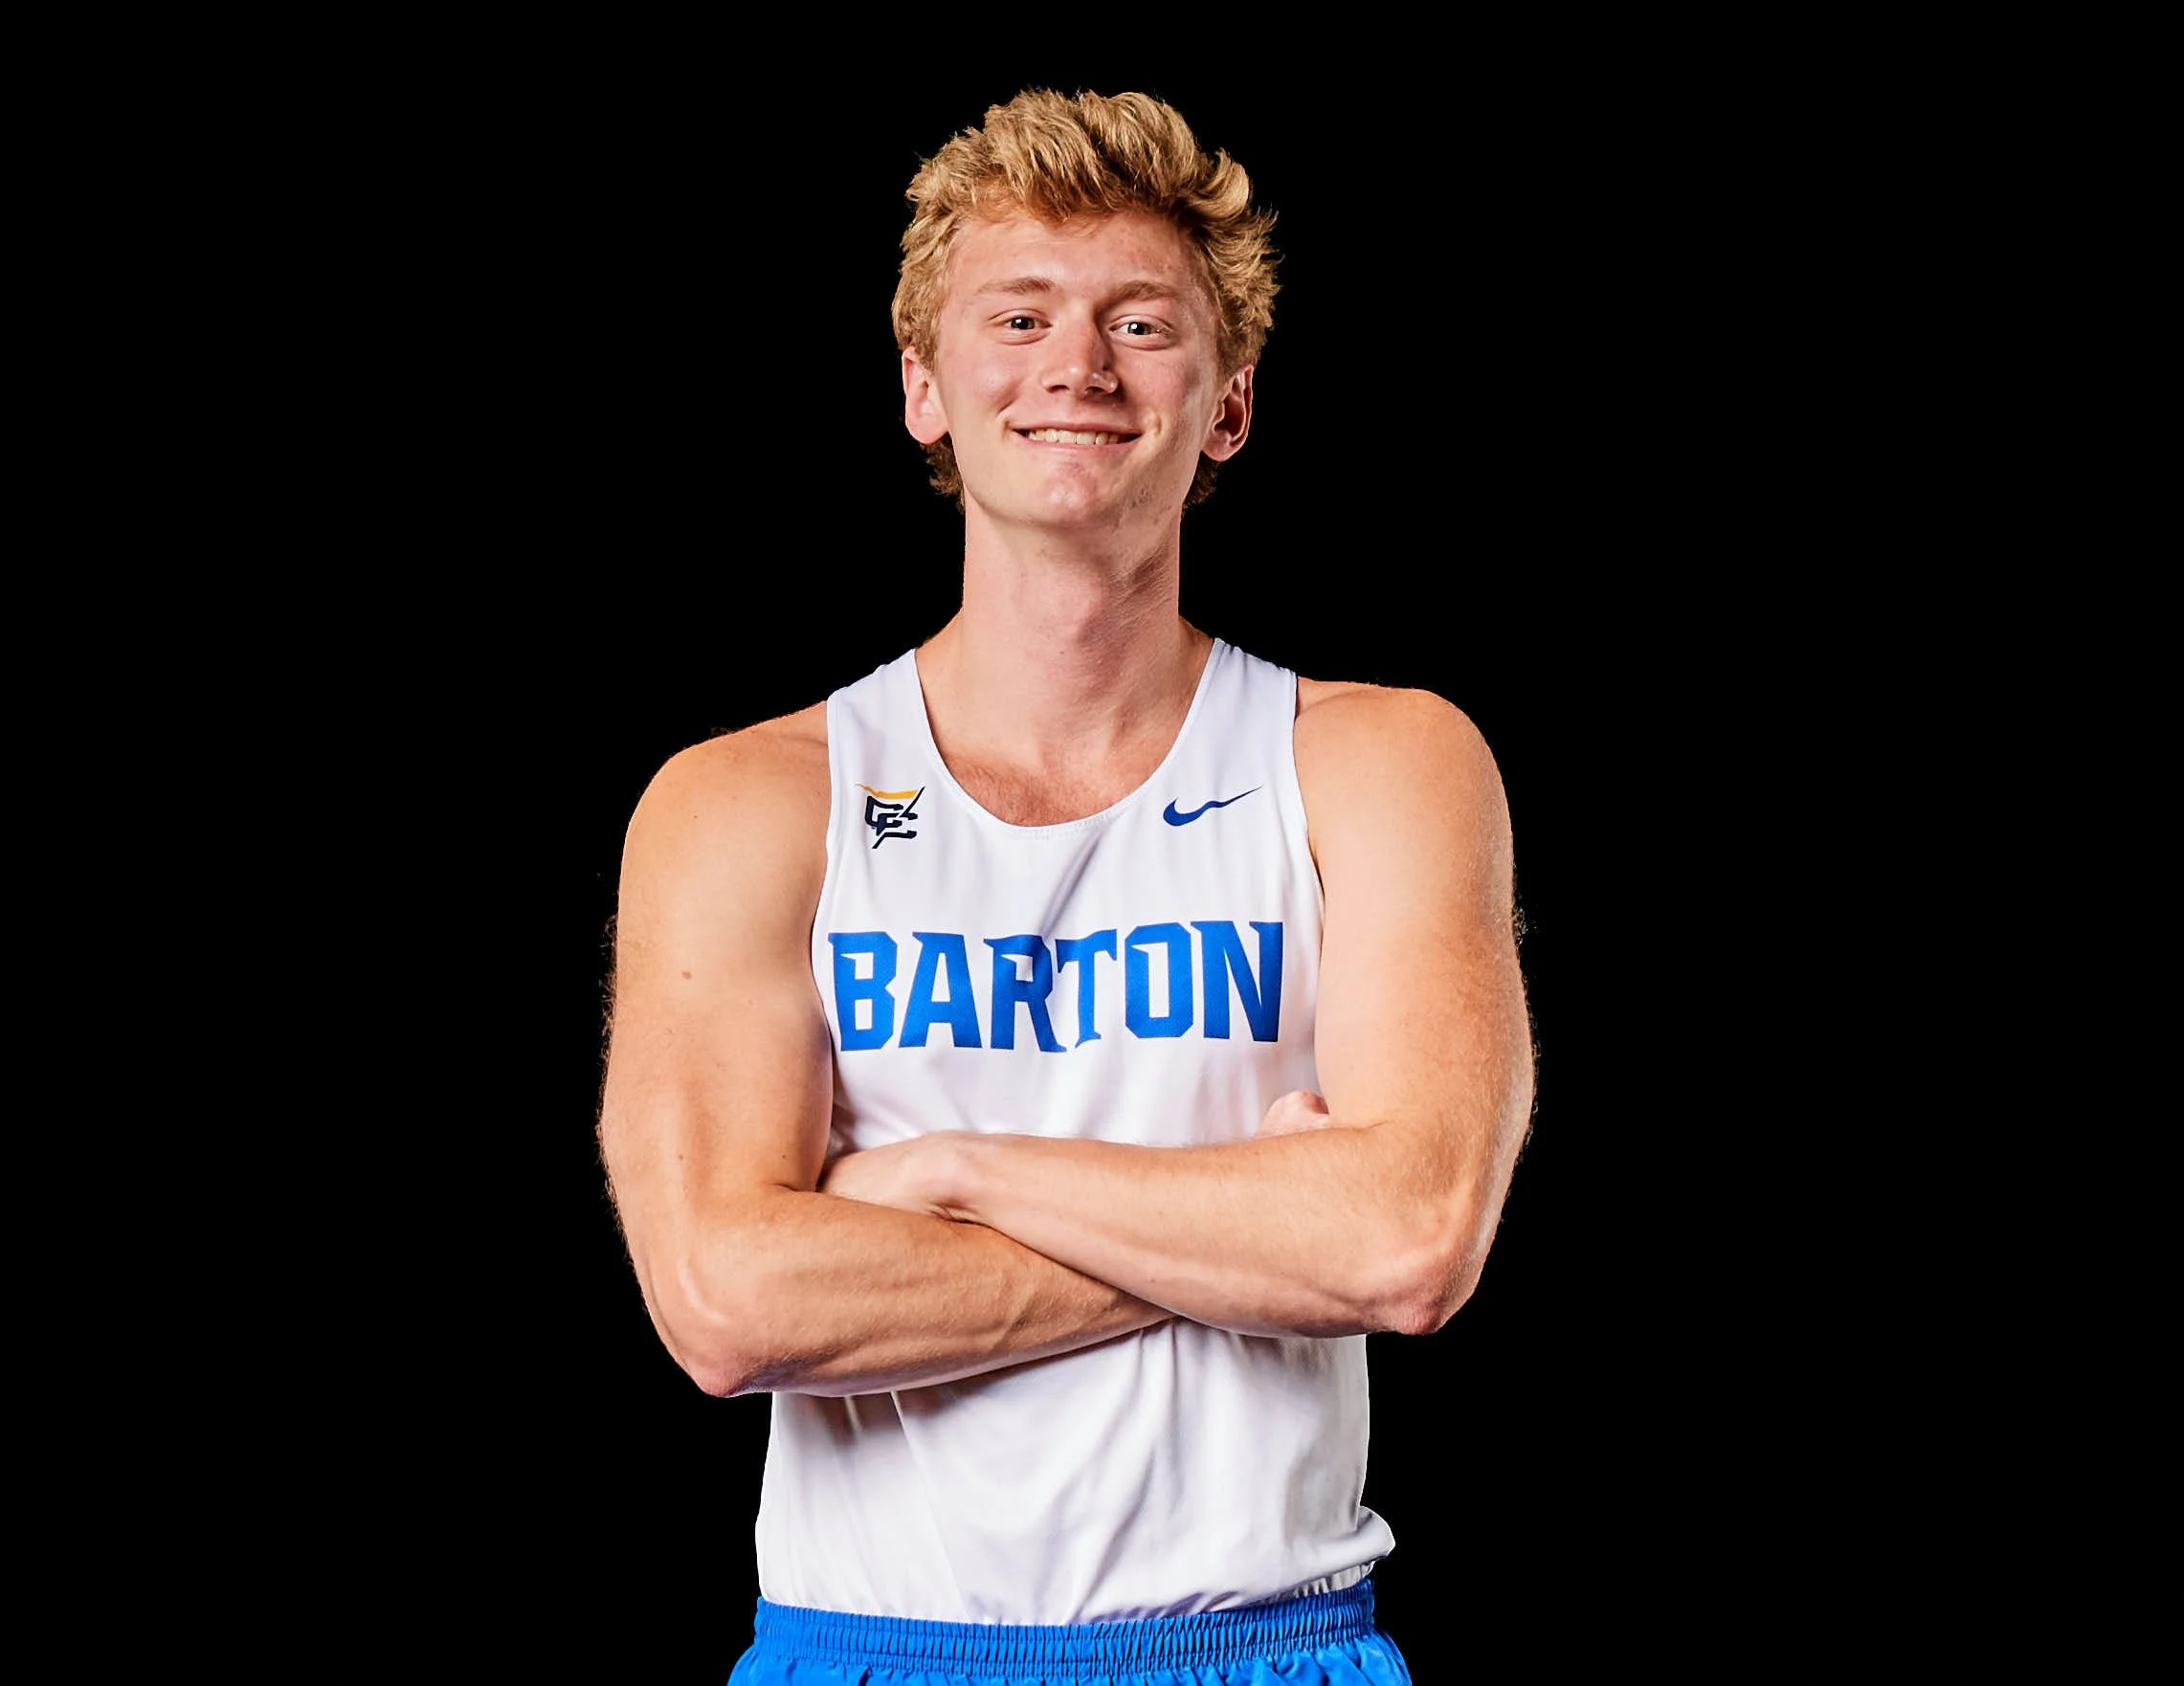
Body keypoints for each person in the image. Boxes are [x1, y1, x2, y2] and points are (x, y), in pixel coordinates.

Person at [597, 88, 1533, 1686]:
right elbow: (727, 1304)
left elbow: (1402, 1241)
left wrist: (945, 1171)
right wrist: (1249, 1234)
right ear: (924, 386)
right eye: (1019, 315)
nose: (1078, 366)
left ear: (1227, 405)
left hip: (1266, 1648)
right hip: (862, 1652)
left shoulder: (1377, 762)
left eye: (1141, 323)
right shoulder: (747, 800)